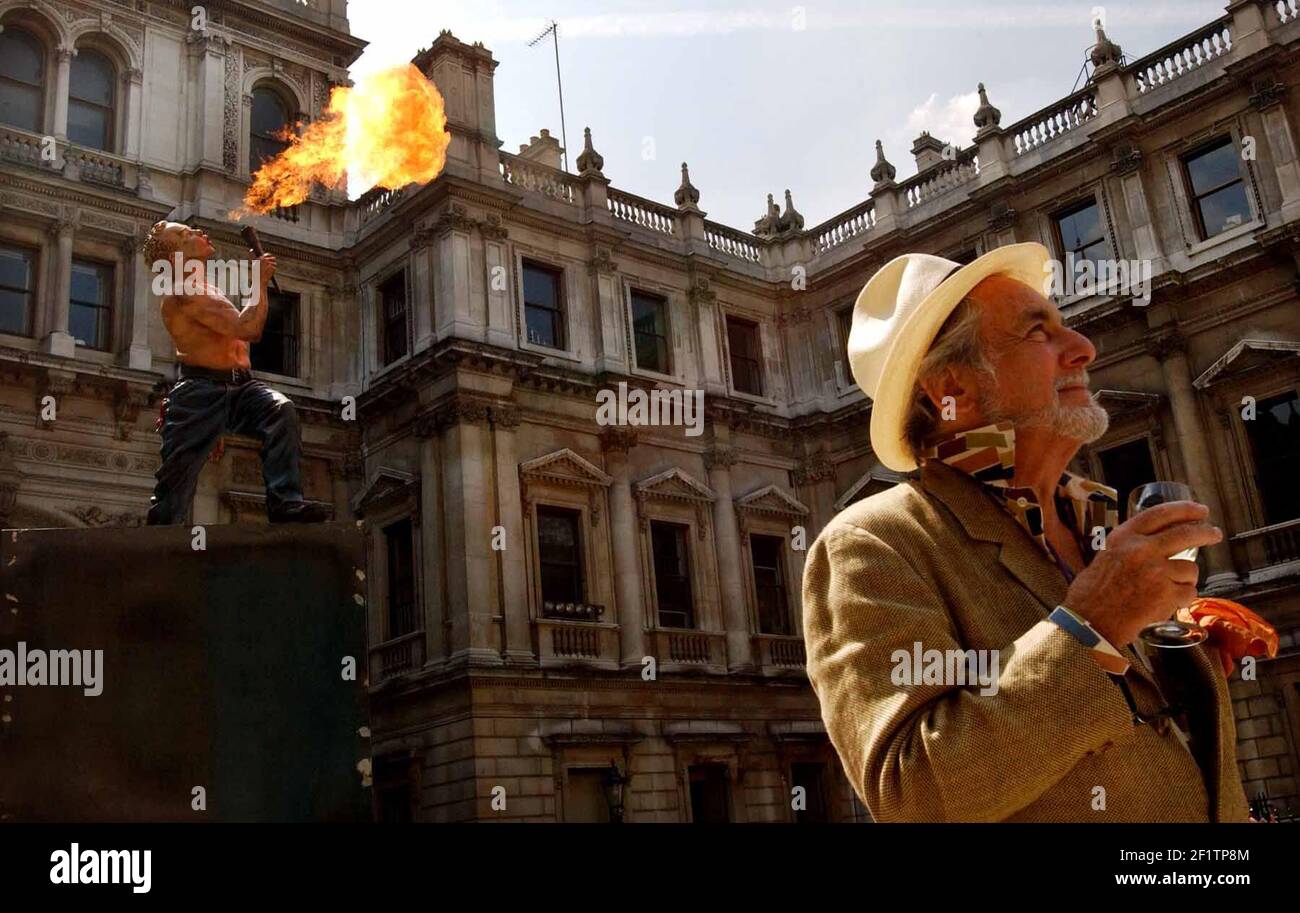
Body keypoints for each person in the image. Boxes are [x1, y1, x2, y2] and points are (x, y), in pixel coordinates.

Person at [801, 242, 1249, 822]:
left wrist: (1185, 661)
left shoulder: (1102, 518)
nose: (1084, 348)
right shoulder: (872, 544)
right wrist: (1094, 628)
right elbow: (915, 795)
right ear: (952, 388)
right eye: (1039, 332)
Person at [141, 220, 330, 525]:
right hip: (199, 393)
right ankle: (159, 539)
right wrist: (259, 283)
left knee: (280, 410)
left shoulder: (205, 286)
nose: (199, 233)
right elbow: (249, 328)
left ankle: (285, 504)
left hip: (241, 388)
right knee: (174, 483)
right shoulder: (182, 290)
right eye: (187, 235)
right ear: (176, 256)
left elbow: (239, 337)